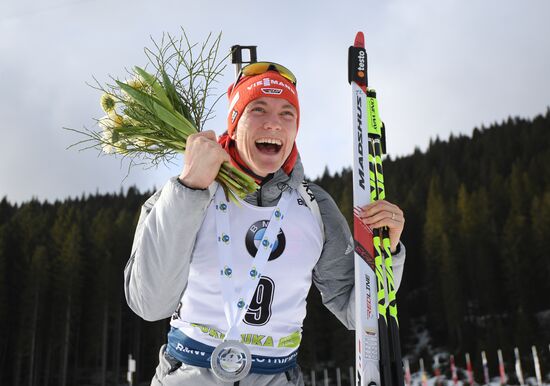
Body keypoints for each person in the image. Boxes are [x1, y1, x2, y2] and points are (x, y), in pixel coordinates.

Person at [124, 61, 406, 386]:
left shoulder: (315, 206)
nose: (274, 123)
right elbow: (149, 303)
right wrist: (189, 188)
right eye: (258, 109)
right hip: (189, 373)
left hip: (278, 377)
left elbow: (355, 311)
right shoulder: (185, 193)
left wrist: (389, 251)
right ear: (235, 120)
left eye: (287, 113)